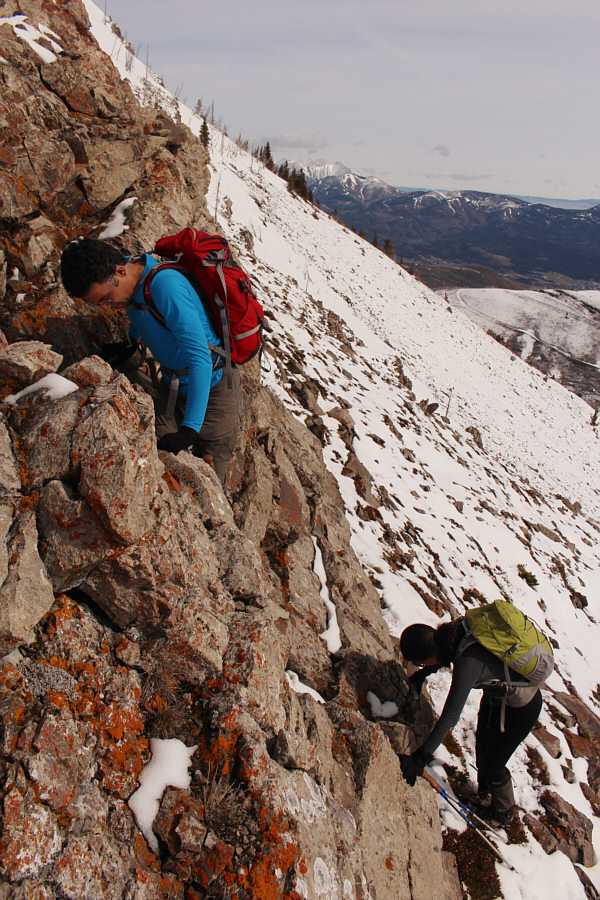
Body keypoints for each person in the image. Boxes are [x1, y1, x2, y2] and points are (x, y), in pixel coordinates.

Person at [60, 238, 242, 485]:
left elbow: (200, 359)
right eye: (99, 303)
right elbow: (143, 315)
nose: (108, 306)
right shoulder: (131, 284)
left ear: (119, 271)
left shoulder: (165, 286)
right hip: (173, 384)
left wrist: (189, 429)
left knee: (210, 475)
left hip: (215, 387)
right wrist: (130, 345)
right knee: (165, 463)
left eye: (106, 298)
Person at [398, 617, 543, 826]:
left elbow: (449, 717)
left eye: (420, 662)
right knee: (483, 747)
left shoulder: (467, 665)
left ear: (428, 655)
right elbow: (443, 654)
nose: (421, 665)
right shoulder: (454, 632)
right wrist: (424, 673)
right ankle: (485, 793)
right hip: (497, 696)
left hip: (523, 707)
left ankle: (503, 813)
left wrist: (420, 758)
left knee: (494, 763)